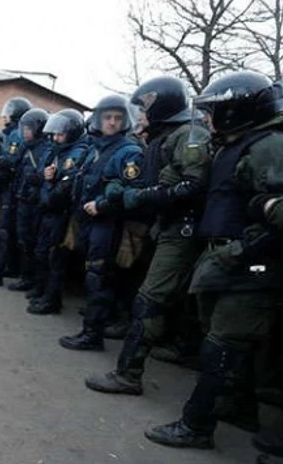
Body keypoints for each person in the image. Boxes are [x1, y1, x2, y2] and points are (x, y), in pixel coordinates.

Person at [145, 71, 283, 450]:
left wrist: (243, 249)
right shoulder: (238, 144)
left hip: (254, 270)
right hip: (233, 264)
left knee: (222, 347)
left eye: (215, 111)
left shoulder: (274, 147)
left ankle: (196, 426)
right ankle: (243, 414)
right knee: (247, 351)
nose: (208, 119)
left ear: (234, 111)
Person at [84, 76, 211, 395]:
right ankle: (181, 348)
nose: (138, 117)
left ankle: (129, 374)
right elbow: (152, 182)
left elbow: (192, 185)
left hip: (182, 230)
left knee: (150, 299)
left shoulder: (188, 135)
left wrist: (140, 197)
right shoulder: (165, 138)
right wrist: (123, 190)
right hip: (168, 226)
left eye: (143, 109)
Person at [59, 95, 145, 352]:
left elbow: (134, 191)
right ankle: (94, 327)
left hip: (108, 225)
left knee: (99, 277)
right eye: (107, 117)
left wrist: (103, 205)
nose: (112, 122)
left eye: (118, 118)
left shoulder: (128, 151)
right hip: (89, 223)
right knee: (94, 275)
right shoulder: (97, 148)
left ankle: (92, 335)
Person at [0, 108, 50, 287]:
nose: (24, 132)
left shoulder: (41, 148)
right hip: (18, 194)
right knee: (10, 235)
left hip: (27, 198)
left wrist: (2, 163)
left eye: (28, 128)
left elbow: (12, 163)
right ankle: (7, 272)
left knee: (23, 239)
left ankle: (20, 277)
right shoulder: (27, 145)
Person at [26, 109, 89, 314]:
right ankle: (42, 290)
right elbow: (37, 176)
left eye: (60, 134)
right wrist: (44, 177)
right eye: (54, 134)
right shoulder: (57, 150)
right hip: (47, 210)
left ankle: (52, 300)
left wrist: (50, 181)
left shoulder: (77, 152)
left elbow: (64, 187)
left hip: (62, 214)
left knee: (56, 257)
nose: (55, 138)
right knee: (42, 252)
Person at [0, 97, 33, 284]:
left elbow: (8, 162)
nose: (5, 116)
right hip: (9, 188)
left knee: (4, 232)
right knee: (8, 233)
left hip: (10, 190)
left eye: (9, 112)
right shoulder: (12, 134)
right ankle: (10, 268)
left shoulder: (17, 134)